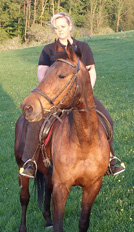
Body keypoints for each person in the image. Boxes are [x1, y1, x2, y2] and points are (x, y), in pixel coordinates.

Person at [20, 12, 125, 178]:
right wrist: (52, 94)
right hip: (56, 96)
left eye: (63, 26)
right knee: (37, 121)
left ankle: (111, 159)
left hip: (81, 96)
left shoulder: (83, 47)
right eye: (56, 27)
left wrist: (86, 93)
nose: (60, 30)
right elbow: (43, 75)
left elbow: (92, 72)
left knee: (106, 118)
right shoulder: (48, 50)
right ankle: (30, 162)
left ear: (70, 26)